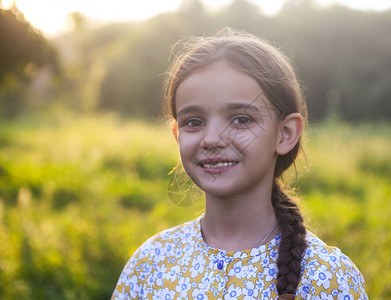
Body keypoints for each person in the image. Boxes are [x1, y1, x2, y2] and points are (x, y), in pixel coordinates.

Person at [112, 28, 368, 300]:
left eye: (241, 120)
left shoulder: (327, 278)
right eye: (194, 122)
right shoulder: (150, 264)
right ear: (178, 135)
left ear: (285, 133)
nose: (212, 139)